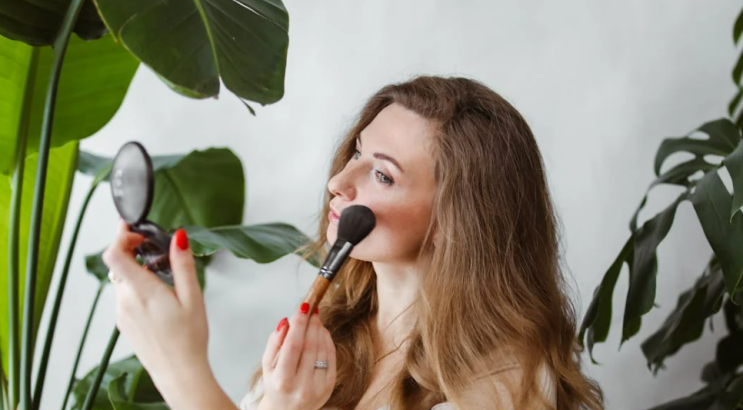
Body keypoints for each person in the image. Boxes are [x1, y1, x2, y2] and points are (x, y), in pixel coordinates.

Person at [103, 75, 605, 410]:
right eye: (357, 153)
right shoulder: (335, 335)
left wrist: (180, 369)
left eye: (382, 176)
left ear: (456, 221)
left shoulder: (502, 386)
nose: (339, 182)